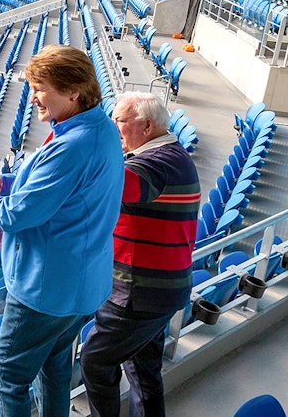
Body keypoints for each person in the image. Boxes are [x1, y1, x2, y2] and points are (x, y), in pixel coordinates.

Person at [0, 45, 124, 417]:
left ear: (73, 90)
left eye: (41, 87)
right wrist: (8, 181)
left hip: (48, 290)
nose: (33, 96)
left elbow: (15, 217)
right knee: (55, 368)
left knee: (8, 371)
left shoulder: (72, 146)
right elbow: (64, 189)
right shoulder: (100, 127)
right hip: (81, 286)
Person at [81, 92, 201, 417]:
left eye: (118, 121)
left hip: (138, 296)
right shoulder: (173, 156)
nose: (113, 127)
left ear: (146, 126)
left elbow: (105, 185)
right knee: (143, 372)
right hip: (162, 291)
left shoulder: (155, 164)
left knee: (94, 360)